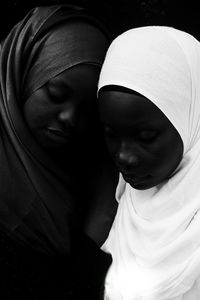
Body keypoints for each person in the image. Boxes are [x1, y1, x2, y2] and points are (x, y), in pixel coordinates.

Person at [0, 4, 116, 299]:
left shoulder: (94, 165)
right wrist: (94, 232)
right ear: (22, 73)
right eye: (56, 94)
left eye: (88, 108)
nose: (70, 117)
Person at [98, 25, 200, 300]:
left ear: (191, 118)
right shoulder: (131, 200)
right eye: (111, 135)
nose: (124, 157)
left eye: (146, 137)